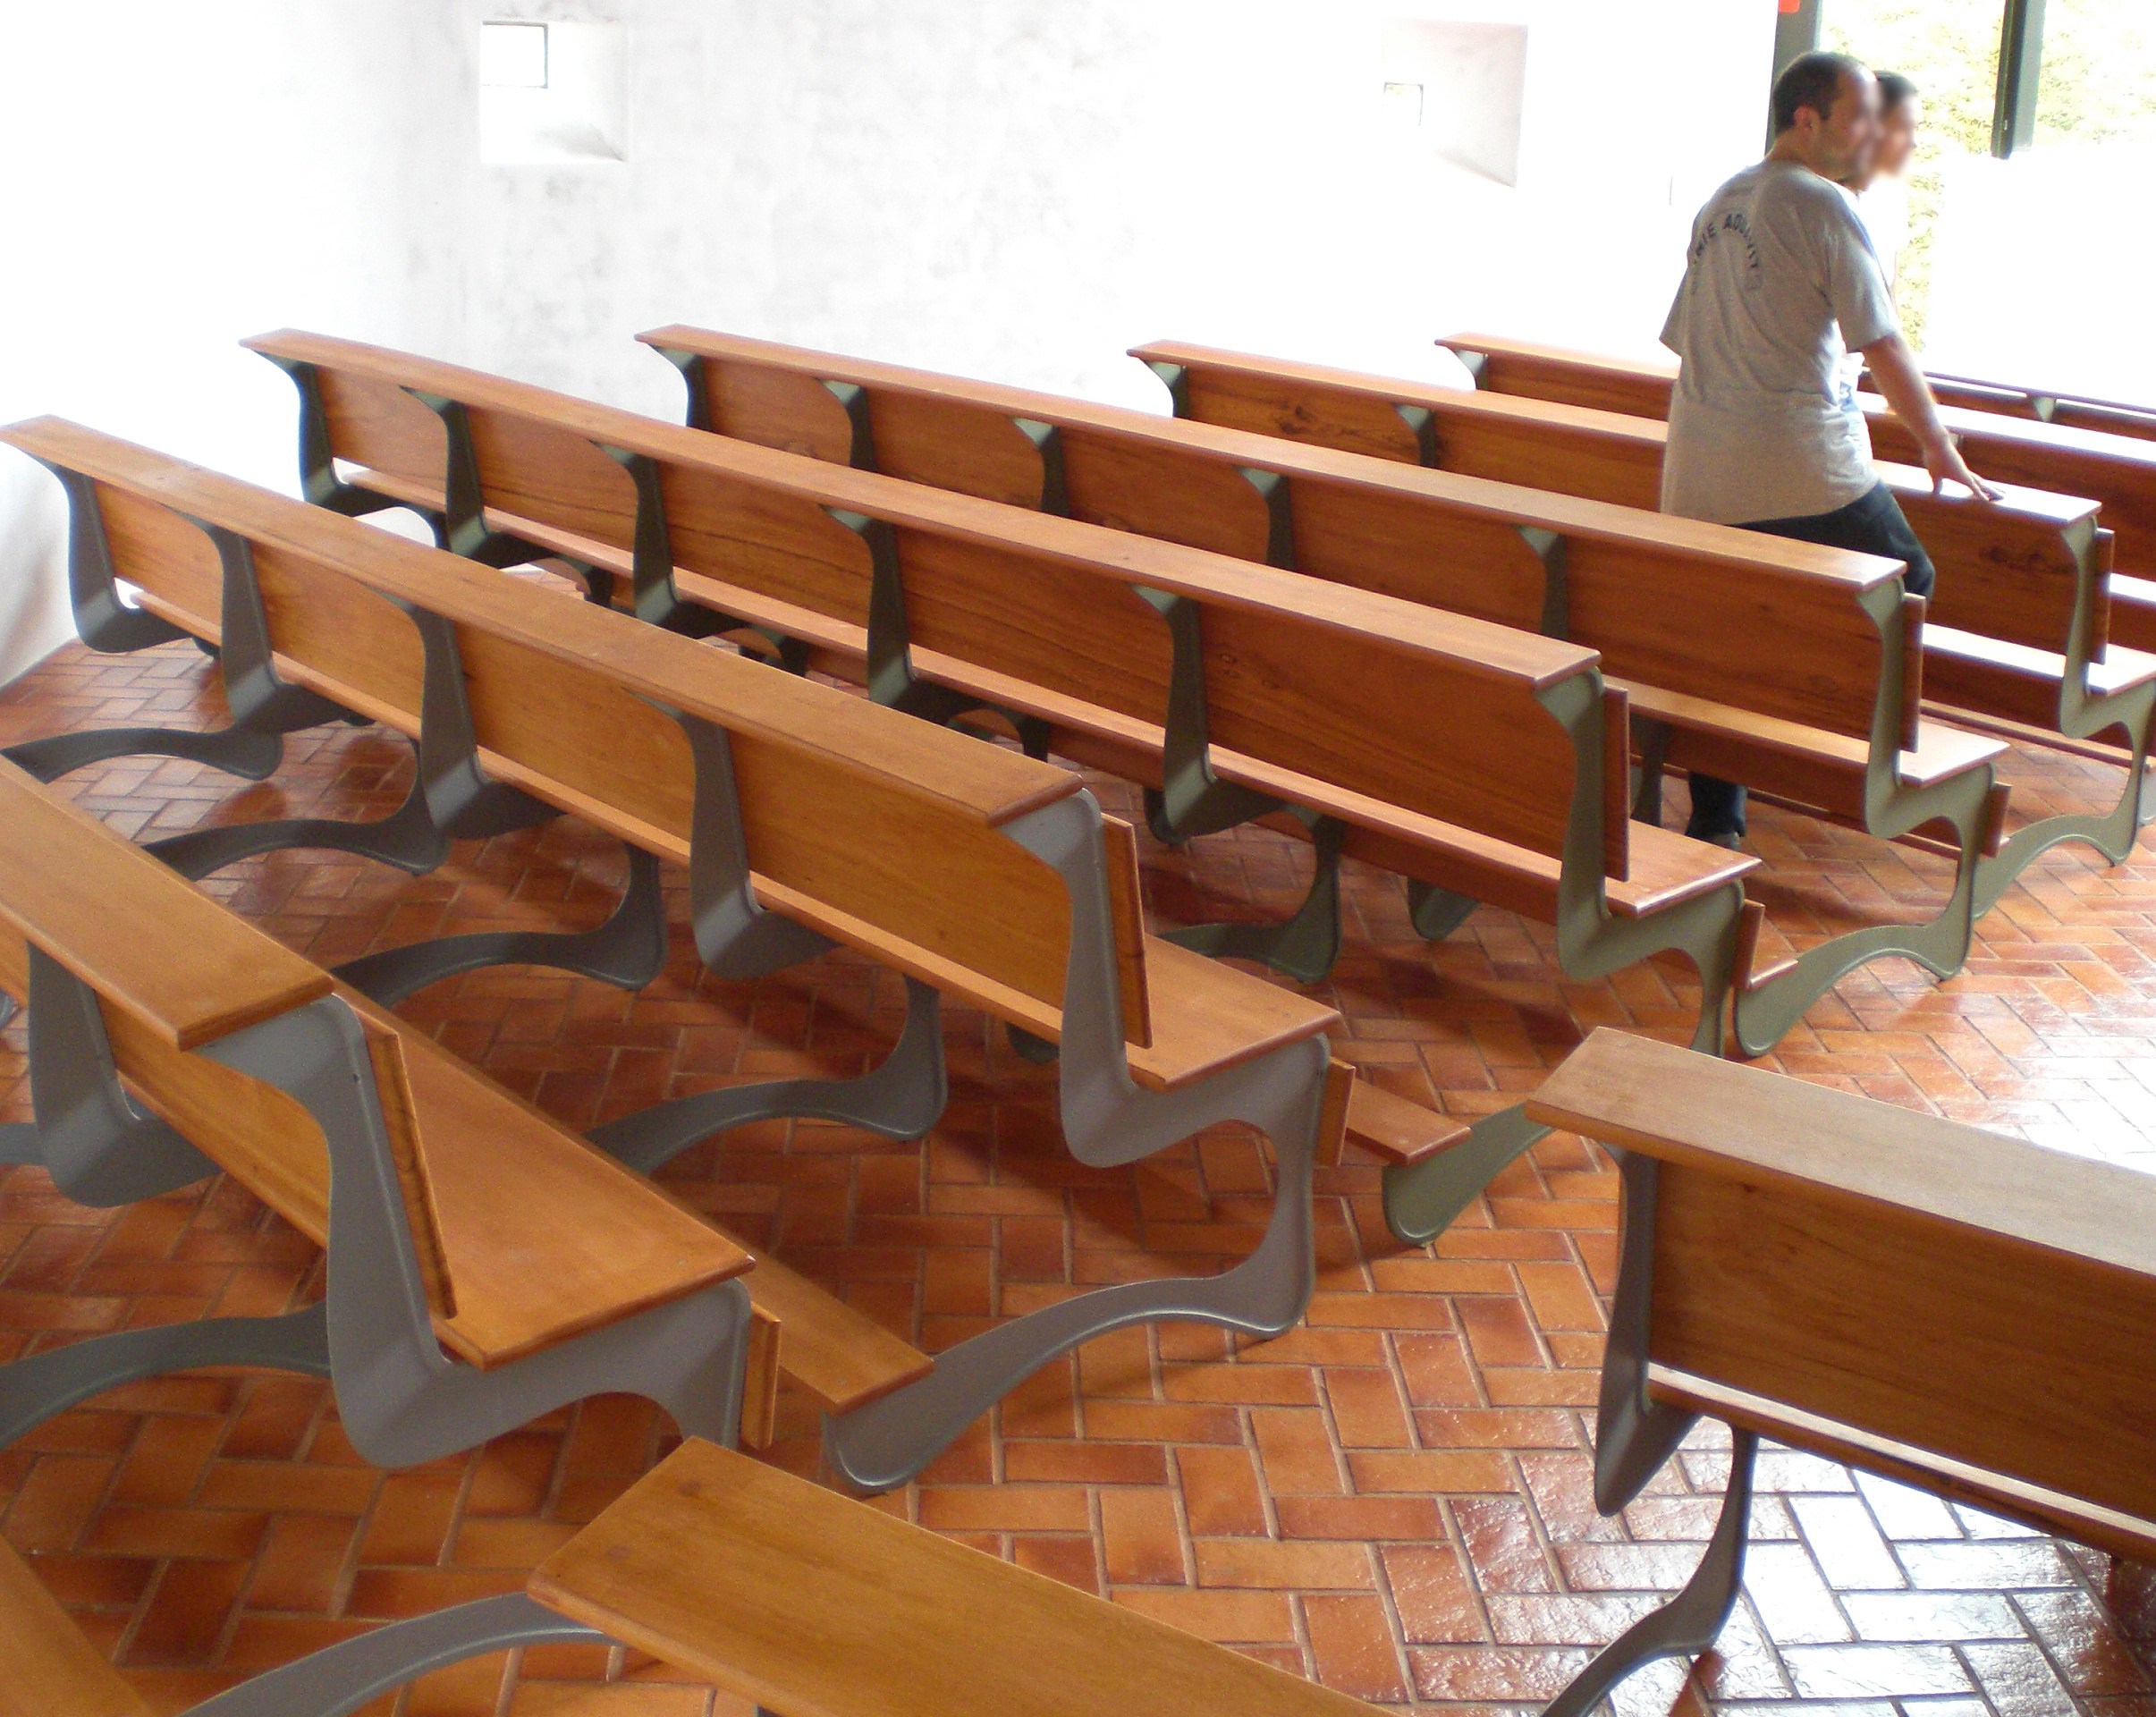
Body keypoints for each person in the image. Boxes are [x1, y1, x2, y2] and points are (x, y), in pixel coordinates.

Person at [1658, 50, 1998, 849]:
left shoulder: (1719, 202)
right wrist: (1937, 444)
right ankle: (1855, 768)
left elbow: (1684, 340)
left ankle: (1719, 818)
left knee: (1727, 643)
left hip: (1700, 473)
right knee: (1907, 577)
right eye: (1858, 117)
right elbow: (1879, 341)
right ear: (1805, 119)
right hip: (1801, 465)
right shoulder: (1820, 203)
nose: (1873, 135)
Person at [1835, 72, 1920, 412]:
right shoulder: (1822, 199)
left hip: (1846, 385)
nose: (1913, 142)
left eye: (1917, 129)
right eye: (1903, 128)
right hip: (1815, 388)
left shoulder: (1890, 199)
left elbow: (1888, 302)